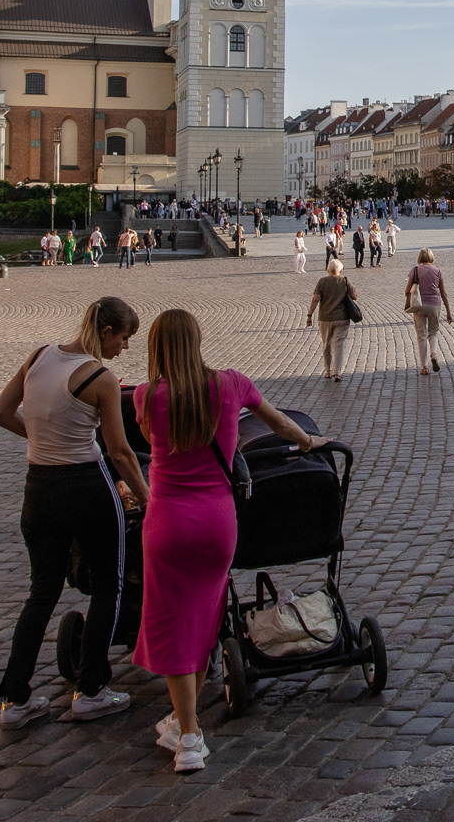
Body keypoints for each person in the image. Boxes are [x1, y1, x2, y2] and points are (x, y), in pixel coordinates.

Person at [132, 309, 329, 771]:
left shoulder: (146, 395)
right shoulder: (230, 384)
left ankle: (190, 738)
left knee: (173, 622)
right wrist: (307, 443)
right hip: (217, 521)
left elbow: (146, 437)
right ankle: (184, 722)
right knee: (203, 619)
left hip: (167, 521)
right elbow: (277, 422)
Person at [0, 297, 152, 730]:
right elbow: (119, 451)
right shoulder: (100, 378)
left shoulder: (38, 357)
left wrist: (42, 438)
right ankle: (92, 688)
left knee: (41, 591)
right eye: (124, 338)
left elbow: (1, 413)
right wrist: (147, 496)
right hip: (85, 485)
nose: (125, 346)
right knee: (108, 584)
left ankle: (14, 698)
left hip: (38, 487)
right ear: (104, 333)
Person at [306, 258, 360, 381]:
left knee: (326, 345)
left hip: (325, 318)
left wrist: (310, 315)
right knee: (339, 345)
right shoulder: (345, 281)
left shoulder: (322, 282)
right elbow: (354, 297)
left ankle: (328, 371)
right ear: (340, 270)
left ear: (328, 270)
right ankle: (337, 372)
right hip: (342, 318)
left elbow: (315, 299)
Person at [404, 249, 451, 374]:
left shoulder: (415, 270)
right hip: (434, 304)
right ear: (431, 257)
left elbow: (407, 290)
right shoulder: (437, 271)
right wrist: (448, 311)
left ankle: (424, 367)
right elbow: (444, 293)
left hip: (419, 305)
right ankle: (434, 354)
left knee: (421, 336)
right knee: (433, 333)